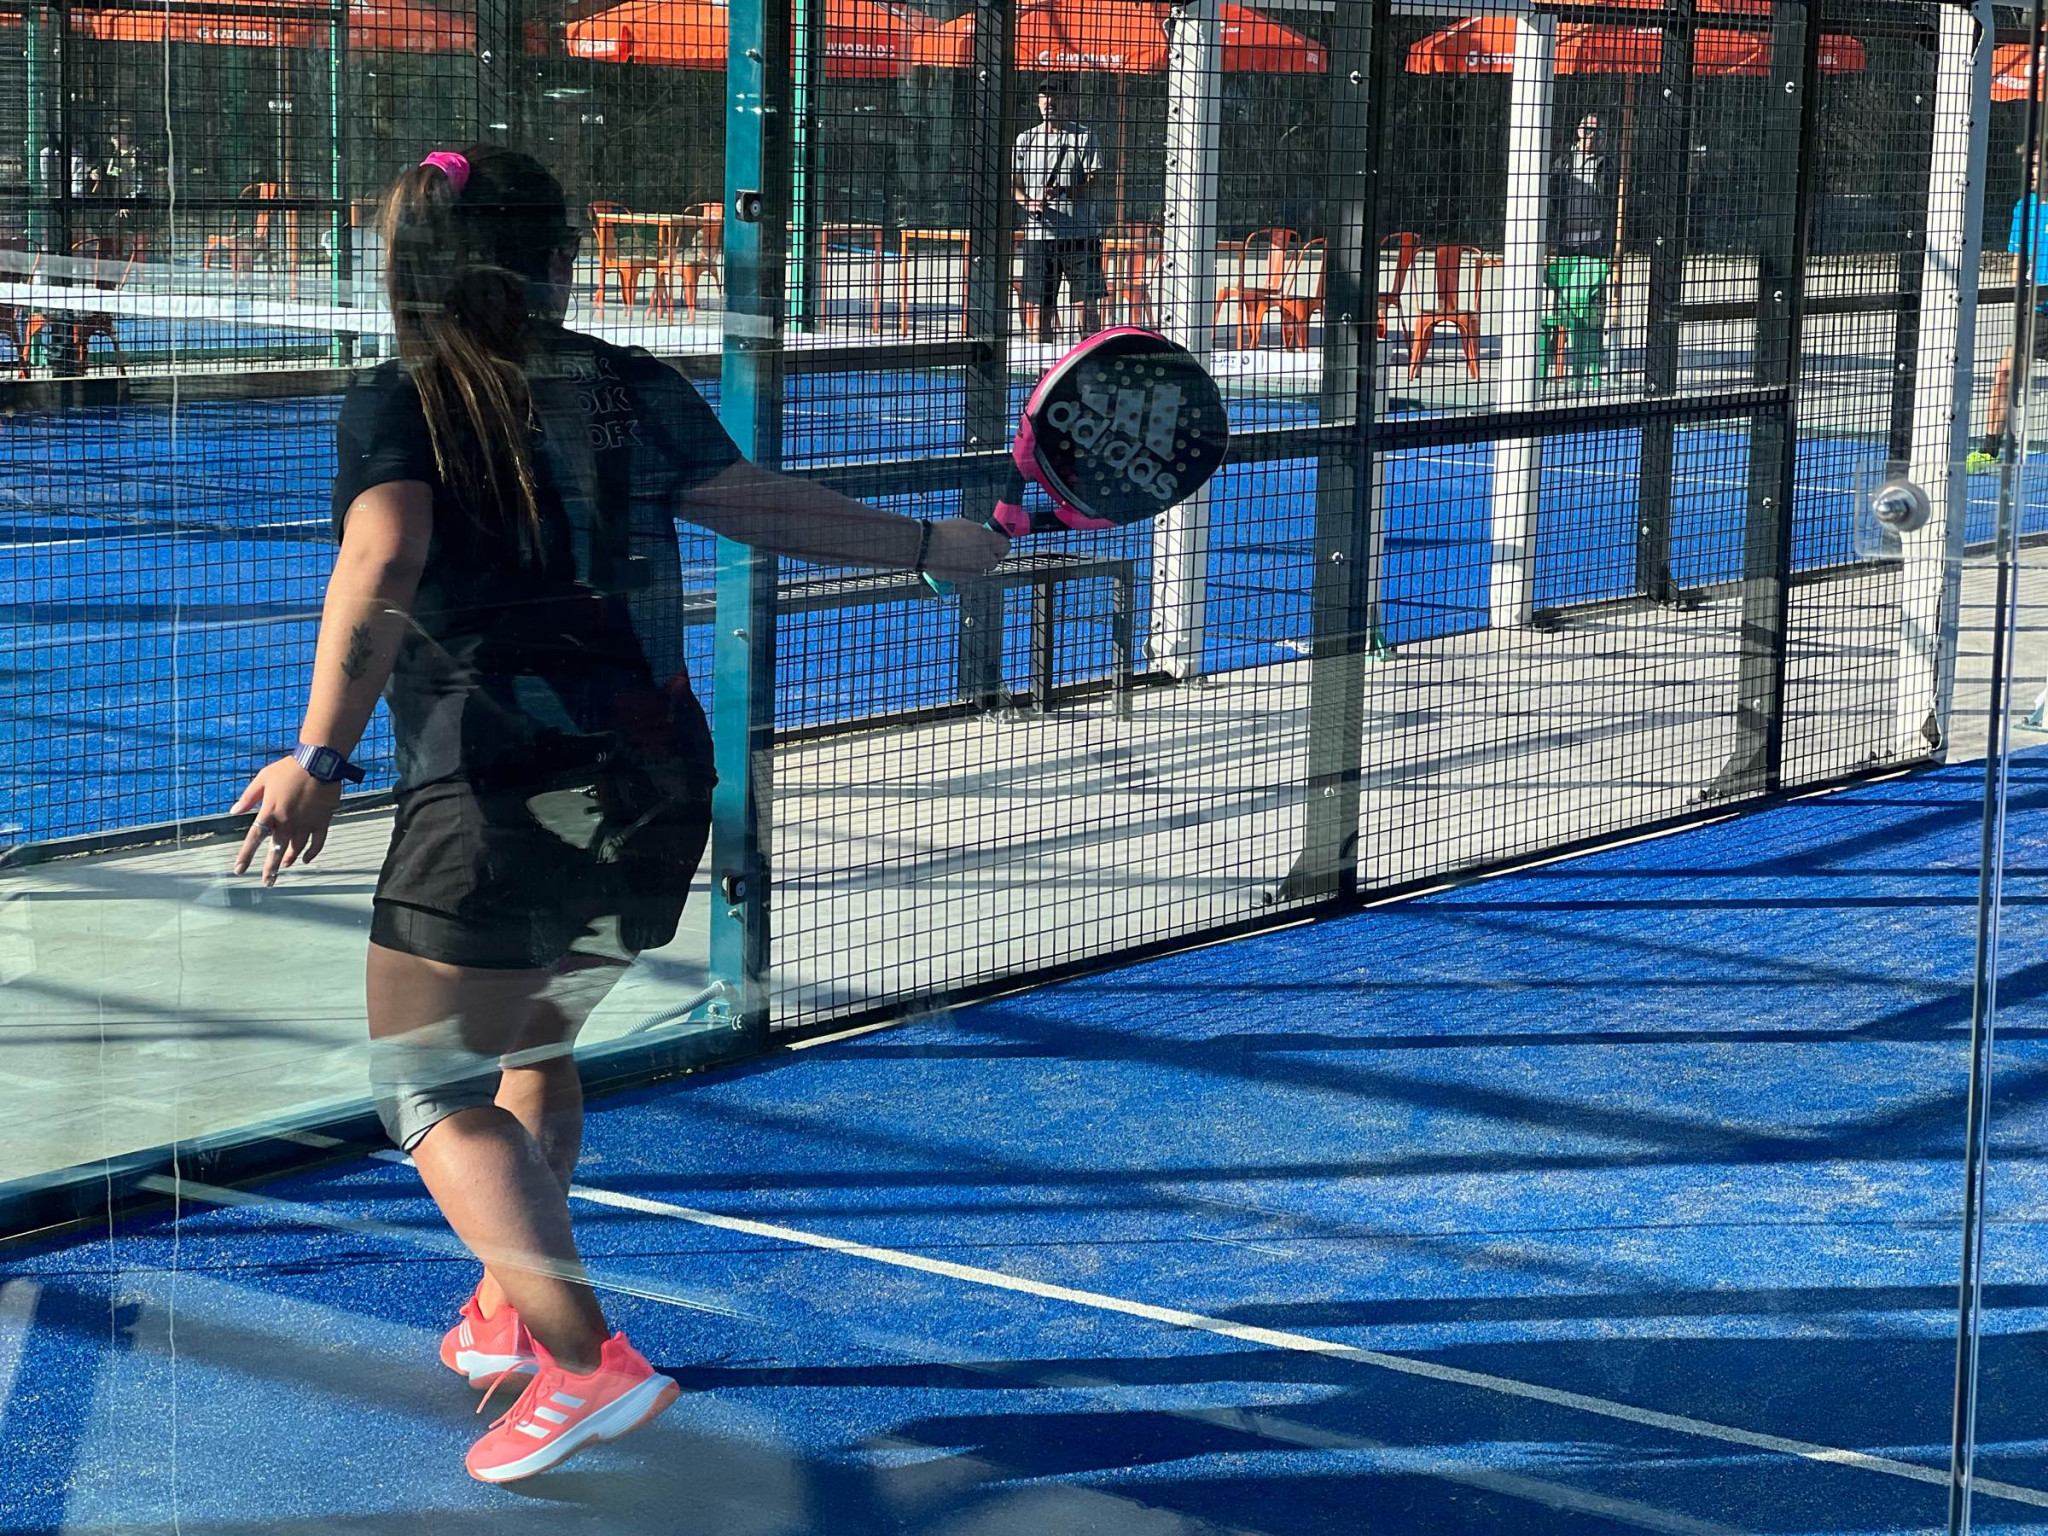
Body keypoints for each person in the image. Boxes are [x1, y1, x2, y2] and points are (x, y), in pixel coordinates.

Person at [228, 147, 1007, 1483]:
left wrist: (320, 754)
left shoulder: (403, 401)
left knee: (424, 1084)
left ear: (407, 270)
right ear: (557, 260)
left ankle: (585, 1362)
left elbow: (384, 555)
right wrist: (934, 545)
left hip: (498, 793)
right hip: (652, 788)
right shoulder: (625, 383)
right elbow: (756, 504)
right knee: (536, 1043)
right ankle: (503, 1306)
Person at [1969, 147, 2048, 475]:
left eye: (2037, 165)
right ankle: (1989, 450)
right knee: (2004, 374)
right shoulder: (2024, 208)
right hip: (2035, 311)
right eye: (2029, 165)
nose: (2031, 171)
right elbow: (2019, 260)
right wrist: (2021, 300)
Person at [1013, 76, 1105, 345]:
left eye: (1055, 96)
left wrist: (1063, 191)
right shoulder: (1025, 139)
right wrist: (1027, 202)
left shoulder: (1084, 137)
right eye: (1044, 96)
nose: (1049, 102)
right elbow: (1015, 186)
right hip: (1039, 237)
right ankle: (1040, 365)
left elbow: (1096, 183)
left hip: (1080, 236)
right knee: (1039, 310)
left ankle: (1092, 358)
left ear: (1069, 102)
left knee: (1086, 307)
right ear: (1037, 102)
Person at [1544, 112, 1616, 392]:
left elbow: (1613, 200)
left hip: (1595, 244)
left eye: (1598, 132)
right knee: (1563, 302)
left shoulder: (1607, 165)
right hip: (1566, 243)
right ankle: (1556, 361)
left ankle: (1591, 363)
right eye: (1588, 130)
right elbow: (1552, 199)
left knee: (1593, 305)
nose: (1592, 137)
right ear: (1578, 131)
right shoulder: (1564, 162)